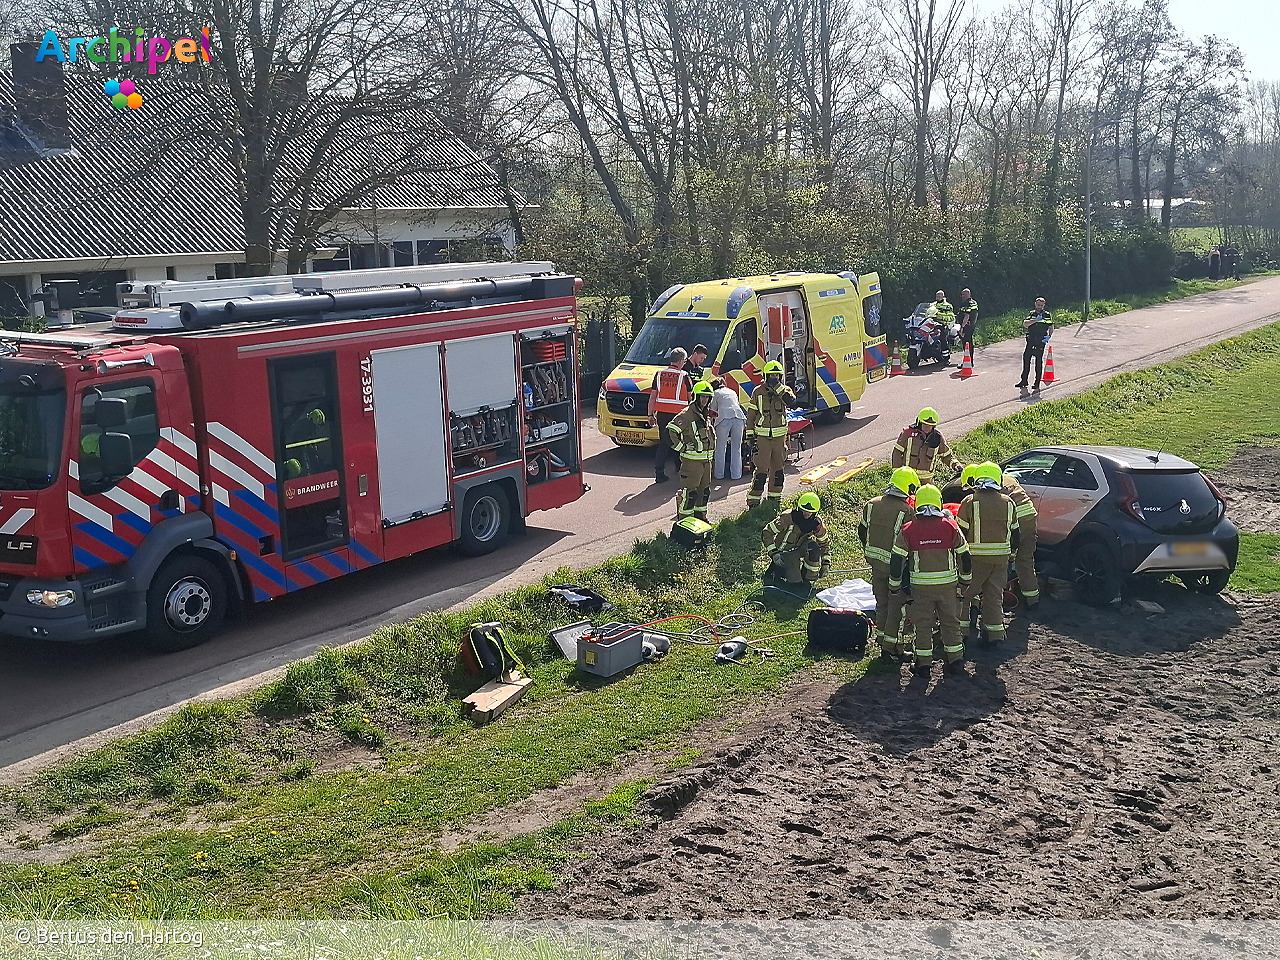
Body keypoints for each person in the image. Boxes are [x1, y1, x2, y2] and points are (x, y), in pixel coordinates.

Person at [889, 484, 972, 676]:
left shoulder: (909, 529)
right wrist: (965, 581)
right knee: (950, 623)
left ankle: (923, 665)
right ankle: (956, 662)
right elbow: (965, 556)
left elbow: (897, 560)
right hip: (948, 587)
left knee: (923, 625)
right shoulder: (950, 526)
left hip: (921, 588)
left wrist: (895, 586)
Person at [858, 466, 919, 659]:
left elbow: (862, 531)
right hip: (895, 567)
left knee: (881, 602)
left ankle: (882, 638)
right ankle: (894, 648)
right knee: (897, 608)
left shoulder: (872, 503)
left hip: (875, 562)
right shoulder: (907, 511)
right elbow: (911, 543)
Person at [957, 462, 1020, 643]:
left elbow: (959, 533)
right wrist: (1012, 556)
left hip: (975, 559)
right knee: (994, 597)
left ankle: (962, 634)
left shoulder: (970, 502)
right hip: (1001, 560)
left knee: (965, 595)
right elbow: (1016, 533)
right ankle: (994, 635)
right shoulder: (1008, 503)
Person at [745, 360, 796, 510]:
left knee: (778, 469)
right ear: (766, 376)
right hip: (762, 439)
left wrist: (778, 388)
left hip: (779, 439)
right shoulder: (758, 392)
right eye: (771, 375)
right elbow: (751, 415)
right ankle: (754, 501)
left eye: (777, 375)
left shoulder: (784, 390)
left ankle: (774, 498)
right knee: (761, 470)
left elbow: (791, 402)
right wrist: (750, 436)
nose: (774, 377)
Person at [668, 380, 716, 521]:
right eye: (702, 396)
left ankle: (701, 520)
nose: (704, 400)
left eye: (707, 397)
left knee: (704, 493)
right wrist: (681, 447)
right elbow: (670, 433)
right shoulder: (687, 414)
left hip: (706, 463)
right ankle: (684, 522)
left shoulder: (705, 413)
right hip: (691, 463)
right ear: (695, 396)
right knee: (690, 495)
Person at [995, 460, 1040, 607]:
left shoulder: (992, 488)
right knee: (1026, 560)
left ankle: (999, 595)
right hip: (1029, 517)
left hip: (1015, 520)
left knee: (1003, 558)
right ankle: (1032, 600)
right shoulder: (1008, 478)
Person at [762, 491, 831, 589]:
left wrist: (826, 564)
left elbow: (824, 544)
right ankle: (778, 574)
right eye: (803, 510)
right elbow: (767, 532)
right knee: (794, 585)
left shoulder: (816, 523)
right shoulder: (787, 518)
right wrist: (774, 553)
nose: (806, 514)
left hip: (800, 548)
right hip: (784, 552)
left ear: (815, 512)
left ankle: (808, 579)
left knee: (814, 548)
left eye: (810, 512)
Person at [651, 347, 691, 483]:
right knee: (679, 441)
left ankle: (659, 473)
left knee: (663, 443)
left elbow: (652, 397)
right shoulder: (684, 376)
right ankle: (679, 467)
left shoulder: (659, 374)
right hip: (680, 415)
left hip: (662, 414)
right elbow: (690, 398)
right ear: (681, 361)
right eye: (684, 361)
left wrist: (650, 414)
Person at [890, 407, 958, 484]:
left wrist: (955, 465)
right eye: (925, 424)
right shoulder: (907, 434)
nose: (927, 427)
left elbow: (946, 455)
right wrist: (898, 473)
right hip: (907, 478)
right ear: (919, 422)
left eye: (930, 425)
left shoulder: (937, 437)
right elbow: (897, 453)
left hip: (926, 481)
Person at [709, 376, 746, 481]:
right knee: (736, 448)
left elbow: (713, 411)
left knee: (720, 448)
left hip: (723, 418)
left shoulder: (715, 394)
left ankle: (719, 474)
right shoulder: (732, 392)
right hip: (739, 418)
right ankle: (736, 475)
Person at [1017, 297, 1053, 391]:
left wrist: (1049, 336)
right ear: (1035, 304)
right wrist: (1035, 320)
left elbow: (1051, 326)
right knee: (1026, 359)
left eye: (1041, 305)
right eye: (1038, 305)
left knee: (1038, 362)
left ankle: (1036, 383)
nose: (1039, 307)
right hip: (1031, 339)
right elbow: (1025, 324)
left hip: (1040, 340)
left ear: (1044, 305)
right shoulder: (1032, 313)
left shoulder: (1047, 315)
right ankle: (1024, 380)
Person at [956, 288, 978, 355]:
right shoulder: (974, 302)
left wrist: (962, 327)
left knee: (966, 343)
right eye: (962, 294)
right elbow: (976, 314)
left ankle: (968, 360)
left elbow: (966, 316)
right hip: (971, 325)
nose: (962, 296)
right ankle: (969, 360)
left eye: (964, 294)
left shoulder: (967, 303)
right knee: (968, 343)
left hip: (966, 326)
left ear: (968, 294)